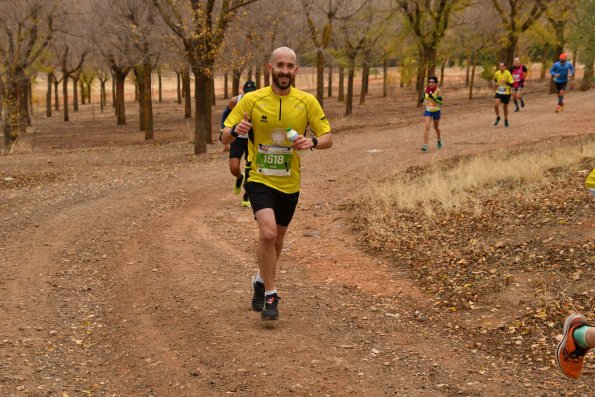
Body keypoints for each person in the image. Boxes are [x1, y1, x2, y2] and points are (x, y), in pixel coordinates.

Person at [221, 47, 333, 320]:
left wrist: (313, 141)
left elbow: (328, 136)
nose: (284, 70)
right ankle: (271, 295)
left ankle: (260, 280)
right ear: (270, 68)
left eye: (290, 66)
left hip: (290, 182)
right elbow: (224, 136)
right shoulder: (252, 100)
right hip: (259, 178)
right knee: (268, 234)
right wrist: (235, 131)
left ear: (296, 70)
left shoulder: (307, 102)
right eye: (279, 65)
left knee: (278, 238)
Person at [220, 80, 257, 207]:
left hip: (252, 138)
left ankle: (247, 196)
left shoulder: (259, 101)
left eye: (251, 93)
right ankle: (239, 178)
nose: (249, 95)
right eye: (247, 93)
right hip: (237, 137)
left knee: (250, 168)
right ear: (243, 92)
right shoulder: (235, 101)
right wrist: (224, 130)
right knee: (234, 168)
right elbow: (225, 114)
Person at [419, 76, 443, 153]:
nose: (431, 83)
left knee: (436, 128)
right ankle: (425, 146)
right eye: (430, 82)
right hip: (428, 110)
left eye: (433, 82)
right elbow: (423, 98)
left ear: (435, 83)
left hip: (436, 110)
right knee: (427, 127)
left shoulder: (438, 90)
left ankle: (439, 140)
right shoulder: (425, 90)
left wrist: (432, 98)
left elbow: (440, 102)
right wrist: (423, 101)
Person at [493, 62, 514, 128]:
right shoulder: (497, 73)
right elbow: (495, 78)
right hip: (499, 91)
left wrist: (506, 82)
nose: (501, 68)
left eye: (502, 66)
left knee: (505, 107)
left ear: (505, 67)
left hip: (507, 92)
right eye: (500, 66)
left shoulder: (508, 73)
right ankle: (498, 117)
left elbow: (512, 84)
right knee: (496, 104)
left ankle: (506, 120)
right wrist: (496, 83)